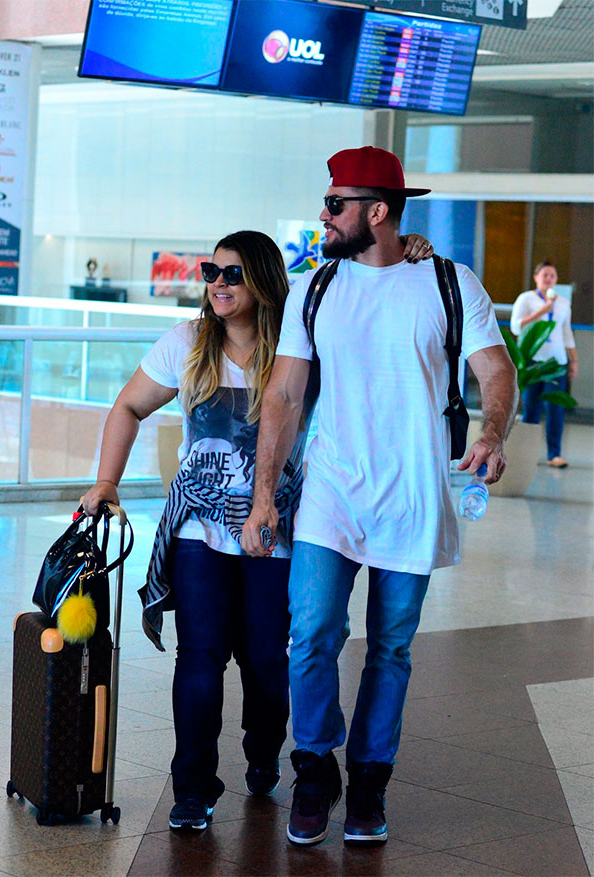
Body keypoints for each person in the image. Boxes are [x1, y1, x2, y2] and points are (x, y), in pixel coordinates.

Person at [83, 227, 434, 834]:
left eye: (233, 273)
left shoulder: (303, 341)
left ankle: (264, 756)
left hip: (281, 528)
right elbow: (128, 407)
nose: (218, 284)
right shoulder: (188, 343)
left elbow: (365, 284)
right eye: (211, 272)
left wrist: (408, 250)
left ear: (266, 282)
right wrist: (106, 482)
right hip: (199, 530)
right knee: (198, 659)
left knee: (269, 663)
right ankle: (193, 787)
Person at [242, 147, 518, 848]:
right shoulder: (316, 287)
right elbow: (284, 393)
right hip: (332, 496)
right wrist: (264, 496)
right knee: (311, 634)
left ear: (378, 212)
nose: (323, 215)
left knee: (391, 647)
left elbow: (496, 369)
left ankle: (368, 780)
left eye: (335, 204)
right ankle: (313, 768)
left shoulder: (450, 283)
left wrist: (491, 431)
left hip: (412, 498)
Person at [510, 260, 578, 467]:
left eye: (553, 276)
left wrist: (573, 361)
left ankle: (554, 454)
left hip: (556, 362)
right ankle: (527, 453)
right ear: (536, 277)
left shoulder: (564, 303)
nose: (549, 279)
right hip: (532, 361)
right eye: (545, 275)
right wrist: (542, 311)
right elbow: (515, 328)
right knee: (531, 408)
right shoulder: (526, 299)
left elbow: (566, 334)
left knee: (555, 408)